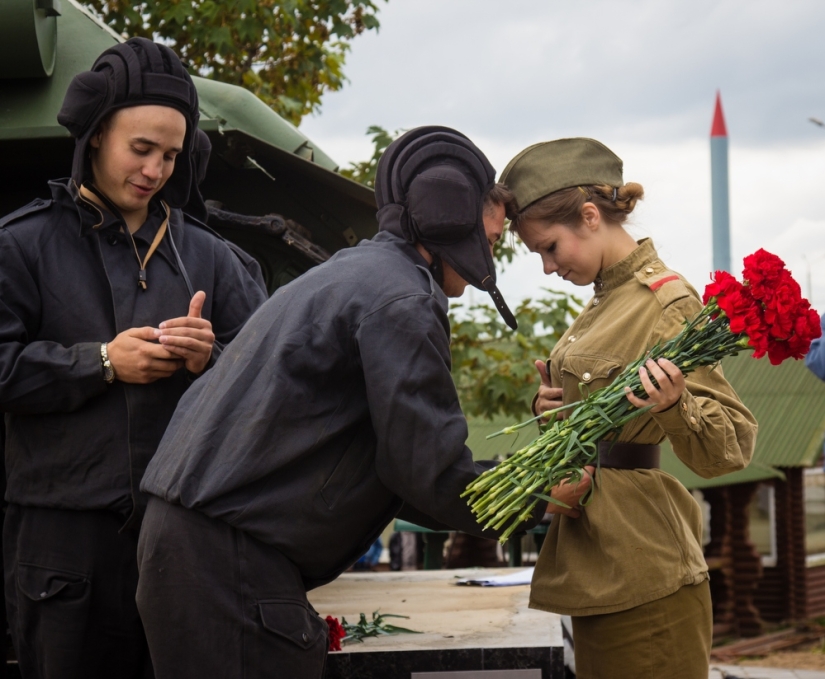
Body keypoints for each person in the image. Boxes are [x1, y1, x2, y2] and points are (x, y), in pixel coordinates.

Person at [135, 126, 545, 678]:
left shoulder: (354, 273)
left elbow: (399, 468)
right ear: (447, 220)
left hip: (193, 551)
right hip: (229, 563)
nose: (486, 262)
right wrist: (536, 496)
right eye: (490, 241)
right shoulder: (403, 297)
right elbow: (428, 469)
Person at [0, 38, 267, 678]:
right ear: (94, 136)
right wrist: (99, 362)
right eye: (139, 148)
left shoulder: (214, 258)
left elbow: (273, 377)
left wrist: (214, 359)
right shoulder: (21, 245)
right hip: (62, 546)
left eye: (171, 155)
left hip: (186, 541)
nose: (154, 169)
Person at [499, 138, 758, 679]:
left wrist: (675, 404)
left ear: (589, 217)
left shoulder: (665, 302)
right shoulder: (605, 302)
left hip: (645, 575)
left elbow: (732, 444)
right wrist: (556, 411)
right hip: (603, 567)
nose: (548, 267)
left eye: (550, 247)